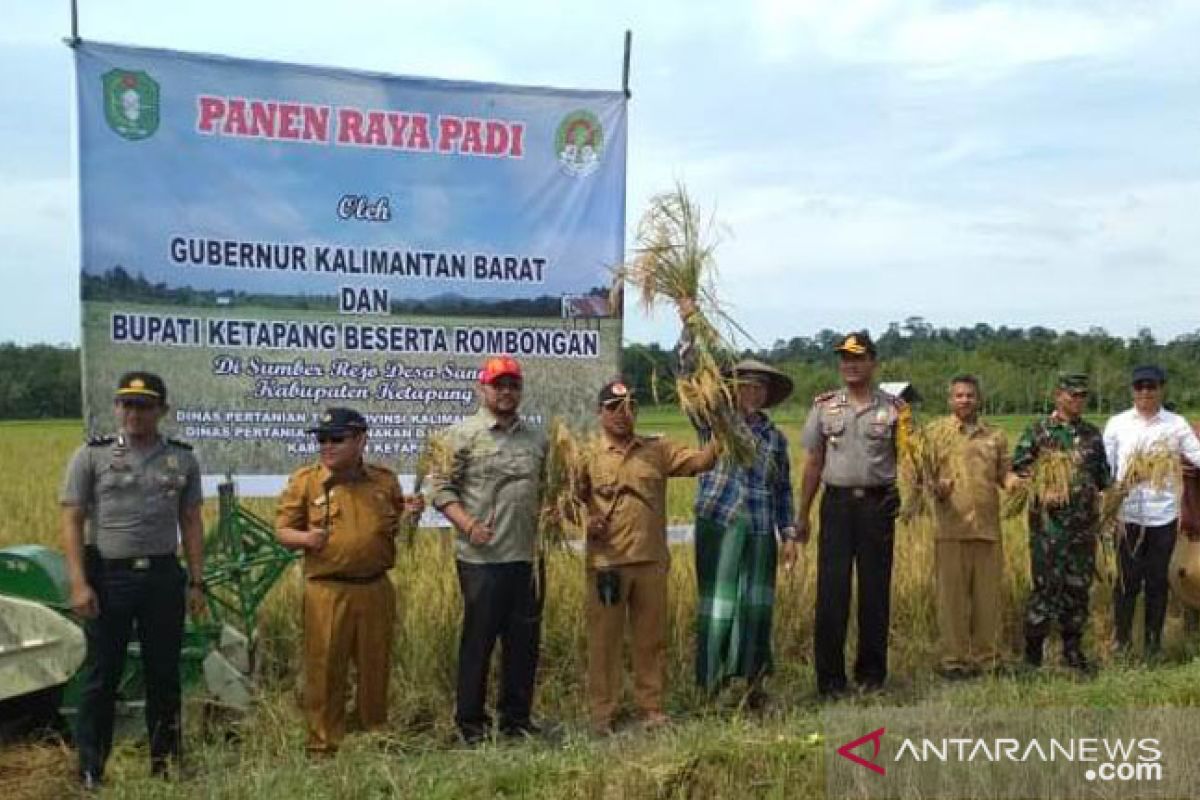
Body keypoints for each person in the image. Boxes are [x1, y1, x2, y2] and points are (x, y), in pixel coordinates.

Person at [59, 372, 204, 789]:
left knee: (164, 674)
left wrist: (196, 582)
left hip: (162, 577)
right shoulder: (92, 456)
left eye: (143, 405)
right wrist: (78, 583)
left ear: (162, 410)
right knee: (103, 675)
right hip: (109, 577)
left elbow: (191, 521)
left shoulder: (182, 459)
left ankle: (166, 766)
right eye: (126, 403)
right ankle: (91, 770)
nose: (133, 412)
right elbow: (72, 519)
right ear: (117, 408)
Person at [275, 407, 421, 755]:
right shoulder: (306, 481)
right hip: (327, 589)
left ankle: (375, 735)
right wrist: (306, 540)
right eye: (321, 439)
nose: (326, 446)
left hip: (375, 587)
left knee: (375, 664)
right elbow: (282, 531)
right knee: (325, 666)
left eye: (336, 439)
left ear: (360, 440)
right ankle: (323, 744)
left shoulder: (384, 481)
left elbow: (394, 524)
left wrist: (411, 512)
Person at [577, 379, 717, 734]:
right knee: (603, 642)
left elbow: (701, 461)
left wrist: (724, 432)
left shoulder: (657, 449)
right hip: (607, 564)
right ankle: (601, 714)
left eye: (630, 408)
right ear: (600, 413)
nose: (623, 415)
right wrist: (585, 521)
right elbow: (567, 500)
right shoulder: (584, 454)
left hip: (651, 561)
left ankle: (651, 708)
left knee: (650, 640)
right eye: (614, 408)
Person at [676, 301, 798, 707]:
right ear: (730, 389)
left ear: (767, 395)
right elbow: (688, 375)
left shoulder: (775, 439)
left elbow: (783, 490)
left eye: (758, 386)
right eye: (744, 384)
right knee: (718, 606)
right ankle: (710, 689)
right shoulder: (715, 422)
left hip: (762, 530)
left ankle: (752, 686)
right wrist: (690, 324)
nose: (751, 391)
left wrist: (790, 533)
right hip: (721, 524)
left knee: (755, 607)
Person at [429, 356, 548, 743]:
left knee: (523, 645)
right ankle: (470, 724)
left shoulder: (537, 440)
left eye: (513, 385)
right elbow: (438, 487)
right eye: (499, 385)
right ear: (484, 389)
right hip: (481, 560)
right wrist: (467, 524)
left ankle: (515, 721)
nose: (506, 392)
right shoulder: (461, 435)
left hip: (527, 558)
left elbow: (550, 489)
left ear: (521, 391)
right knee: (478, 643)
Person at [796, 332, 903, 698]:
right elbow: (813, 463)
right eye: (844, 359)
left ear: (873, 362)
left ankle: (872, 676)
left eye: (857, 359)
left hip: (878, 507)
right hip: (837, 506)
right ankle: (830, 681)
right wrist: (803, 514)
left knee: (875, 592)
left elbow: (910, 462)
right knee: (831, 594)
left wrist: (908, 497)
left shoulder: (894, 410)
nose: (850, 365)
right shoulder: (824, 408)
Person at [1011, 373, 1110, 674]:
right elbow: (1018, 475)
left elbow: (1102, 477)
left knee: (1078, 590)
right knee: (1045, 590)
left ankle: (1073, 651)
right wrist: (1042, 491)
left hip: (1083, 531)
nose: (1077, 400)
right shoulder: (1039, 431)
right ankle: (1033, 656)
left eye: (1082, 395)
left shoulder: (1093, 434)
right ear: (1058, 396)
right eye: (1072, 395)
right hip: (1048, 531)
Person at [1101, 366, 1200, 659]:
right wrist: (1114, 490)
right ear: (1132, 390)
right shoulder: (1118, 423)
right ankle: (1122, 643)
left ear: (1161, 389)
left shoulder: (1175, 424)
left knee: (1157, 581)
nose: (1146, 392)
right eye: (1140, 386)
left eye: (1152, 386)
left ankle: (1154, 645)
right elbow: (1105, 467)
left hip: (1163, 517)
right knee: (1126, 581)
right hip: (1127, 516)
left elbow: (1196, 455)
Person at [927, 375, 1013, 678]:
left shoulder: (995, 436)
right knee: (951, 601)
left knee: (987, 600)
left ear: (979, 399)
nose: (965, 400)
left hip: (987, 529)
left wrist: (1017, 484)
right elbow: (922, 476)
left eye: (970, 396)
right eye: (959, 396)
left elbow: (1005, 474)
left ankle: (986, 659)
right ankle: (954, 661)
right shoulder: (935, 434)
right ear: (950, 400)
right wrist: (937, 487)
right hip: (951, 529)